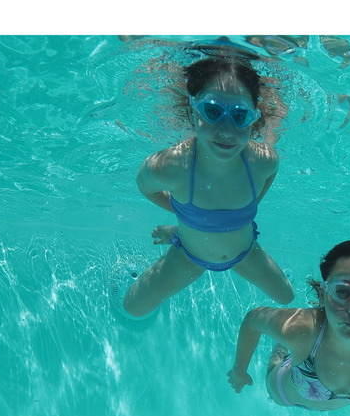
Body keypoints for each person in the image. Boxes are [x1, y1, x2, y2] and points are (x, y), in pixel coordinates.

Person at [118, 56, 294, 318]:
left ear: (254, 119)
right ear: (192, 111)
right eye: (212, 111)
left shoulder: (262, 162)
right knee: (132, 309)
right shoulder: (171, 166)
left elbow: (269, 176)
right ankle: (178, 234)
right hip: (188, 255)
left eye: (240, 115)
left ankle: (180, 230)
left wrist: (245, 207)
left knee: (287, 296)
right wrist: (182, 211)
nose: (226, 130)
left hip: (245, 252)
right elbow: (144, 186)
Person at [227, 240, 350, 411]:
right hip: (283, 394)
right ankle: (283, 343)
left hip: (308, 341)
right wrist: (239, 372)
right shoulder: (298, 329)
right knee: (288, 341)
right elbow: (254, 319)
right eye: (343, 292)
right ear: (323, 293)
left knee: (297, 338)